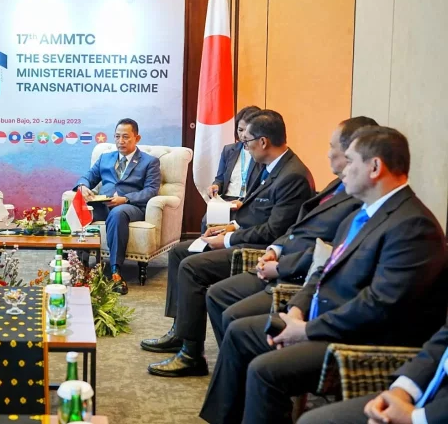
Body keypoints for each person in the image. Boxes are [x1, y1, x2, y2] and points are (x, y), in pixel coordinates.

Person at [199, 126, 448, 424]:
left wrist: (306, 330)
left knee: (264, 371)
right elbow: (324, 270)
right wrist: (297, 309)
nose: (343, 168)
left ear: (375, 167)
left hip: (358, 338)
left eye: (350, 160)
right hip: (321, 319)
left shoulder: (412, 225)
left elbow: (379, 305)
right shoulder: (363, 214)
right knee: (240, 333)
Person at [142, 110, 314, 376]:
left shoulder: (292, 175)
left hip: (260, 250)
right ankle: (181, 331)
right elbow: (256, 214)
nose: (245, 146)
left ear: (263, 142)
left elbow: (274, 231)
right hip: (245, 234)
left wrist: (228, 238)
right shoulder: (272, 167)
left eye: (247, 141)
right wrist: (229, 226)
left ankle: (191, 354)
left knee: (192, 267)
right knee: (179, 252)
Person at [205, 116, 378, 346]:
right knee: (218, 296)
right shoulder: (337, 186)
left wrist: (280, 266)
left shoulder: (358, 201)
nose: (328, 154)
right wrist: (275, 250)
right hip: (279, 259)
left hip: (295, 275)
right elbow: (296, 228)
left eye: (332, 147)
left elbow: (328, 252)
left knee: (235, 322)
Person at [297, 322, 448, 424]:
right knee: (313, 421)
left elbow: (379, 303)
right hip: (428, 389)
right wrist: (402, 392)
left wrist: (418, 418)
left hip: (438, 413)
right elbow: (442, 340)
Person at [75, 118, 161, 295]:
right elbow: (87, 177)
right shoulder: (105, 158)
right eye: (117, 136)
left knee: (117, 213)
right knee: (80, 209)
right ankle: (80, 266)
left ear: (137, 138)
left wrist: (125, 199)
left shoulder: (149, 162)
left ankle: (116, 272)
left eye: (125, 137)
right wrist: (83, 186)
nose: (120, 141)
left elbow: (151, 190)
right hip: (103, 204)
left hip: (130, 207)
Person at [207, 105, 261, 201]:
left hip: (250, 201)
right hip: (227, 200)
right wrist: (215, 186)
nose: (243, 135)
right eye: (240, 130)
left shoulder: (263, 152)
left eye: (248, 130)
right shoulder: (228, 150)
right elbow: (220, 179)